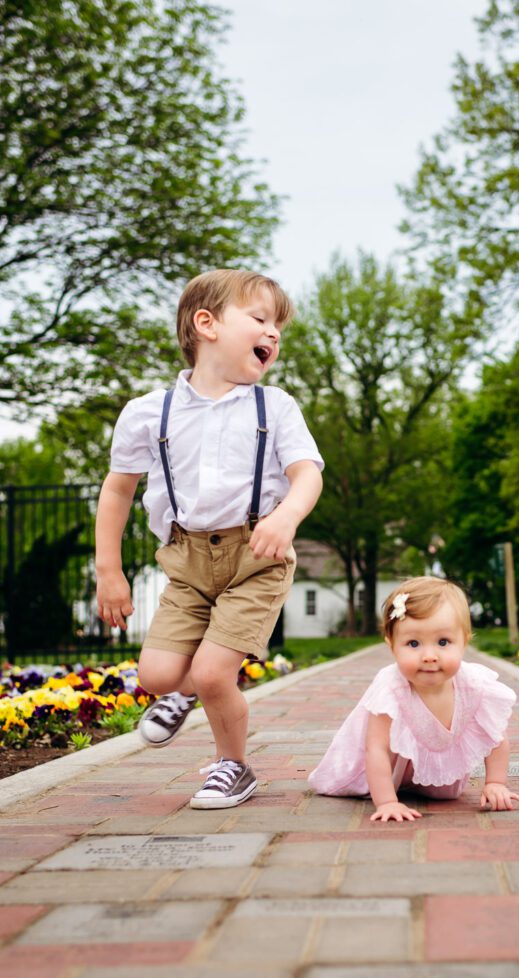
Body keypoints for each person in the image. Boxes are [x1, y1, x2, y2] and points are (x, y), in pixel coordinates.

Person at [95, 269, 323, 809]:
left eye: (279, 327)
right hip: (187, 561)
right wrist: (109, 570)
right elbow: (118, 490)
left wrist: (287, 518)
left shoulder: (275, 407)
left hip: (256, 558)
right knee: (156, 674)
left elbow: (307, 474)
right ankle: (180, 694)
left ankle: (233, 766)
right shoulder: (149, 413)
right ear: (207, 324)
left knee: (213, 673)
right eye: (260, 319)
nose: (273, 333)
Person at [309, 577, 519, 821]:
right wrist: (387, 802)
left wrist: (496, 782)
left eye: (443, 642)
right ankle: (390, 789)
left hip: (437, 775)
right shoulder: (391, 687)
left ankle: (419, 781)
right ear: (392, 646)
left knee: (446, 794)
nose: (429, 655)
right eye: (413, 643)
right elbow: (377, 748)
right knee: (374, 761)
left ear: (464, 642)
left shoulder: (474, 683)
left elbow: (495, 736)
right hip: (387, 768)